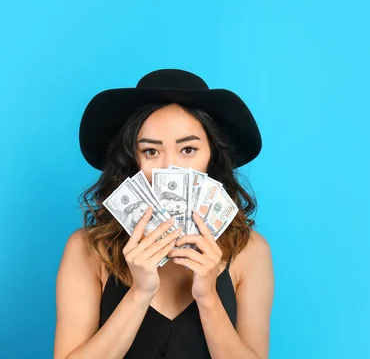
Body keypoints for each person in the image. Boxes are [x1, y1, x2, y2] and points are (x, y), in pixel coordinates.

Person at [54, 69, 274, 359]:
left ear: (212, 156)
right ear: (132, 159)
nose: (170, 169)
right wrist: (139, 293)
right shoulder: (87, 249)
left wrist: (208, 297)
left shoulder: (250, 252)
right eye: (151, 151)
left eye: (188, 149)